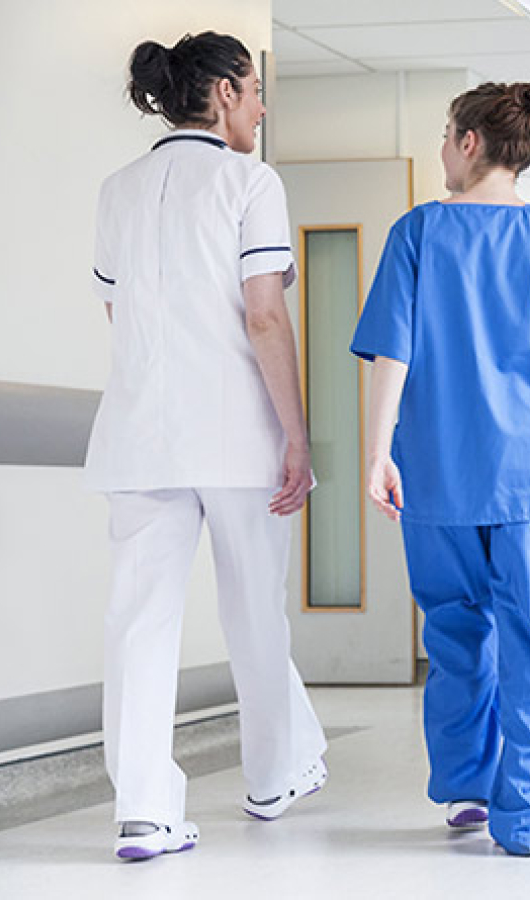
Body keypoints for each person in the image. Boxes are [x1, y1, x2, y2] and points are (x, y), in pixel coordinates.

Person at [351, 82, 530, 857]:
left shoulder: (417, 234)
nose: (441, 148)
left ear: (470, 142)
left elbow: (392, 354)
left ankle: (468, 787)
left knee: (456, 632)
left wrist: (378, 455)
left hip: (438, 469)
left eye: (445, 135)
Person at [86, 32, 327, 862]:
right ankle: (273, 776)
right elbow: (264, 314)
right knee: (254, 607)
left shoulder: (118, 190)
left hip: (139, 434)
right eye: (256, 90)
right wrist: (296, 433)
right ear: (224, 92)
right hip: (233, 432)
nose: (261, 107)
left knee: (139, 623)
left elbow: (120, 318)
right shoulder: (248, 182)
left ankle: (144, 812)